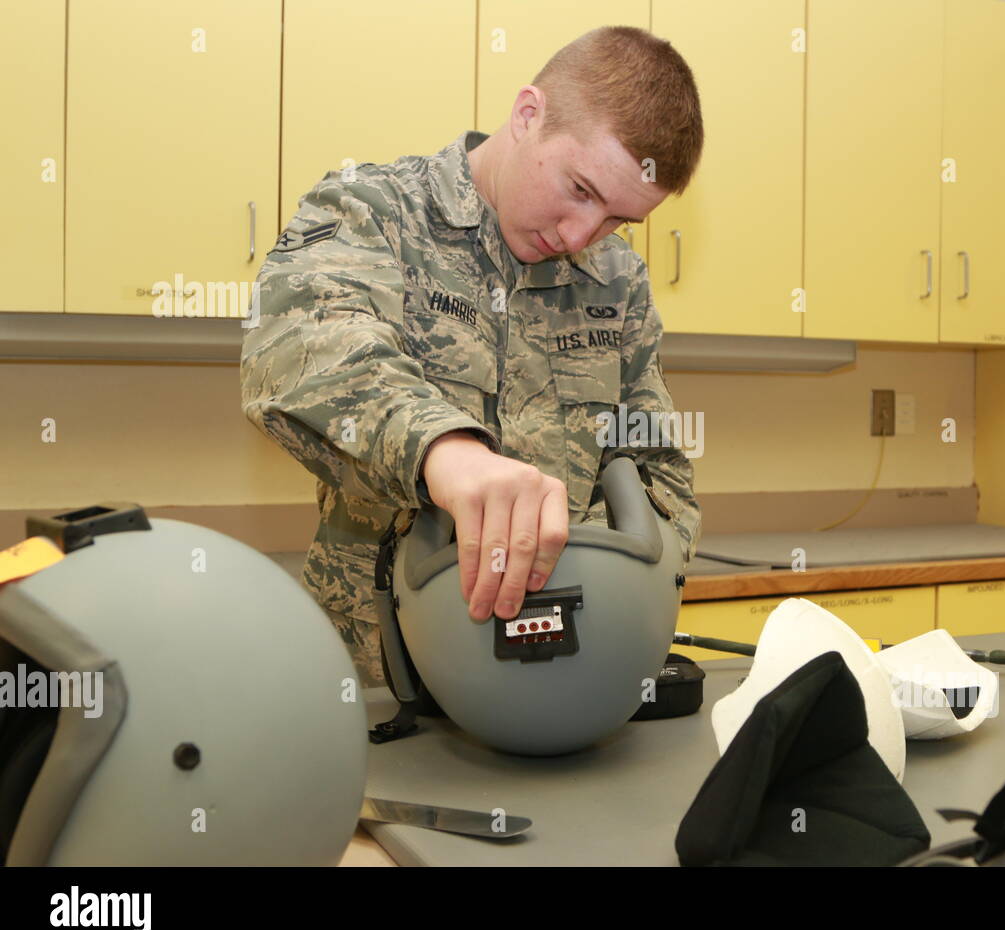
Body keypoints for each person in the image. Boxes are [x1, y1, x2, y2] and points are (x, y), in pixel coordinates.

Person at [239, 26, 704, 686]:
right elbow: (296, 349)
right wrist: (444, 453)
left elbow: (658, 471)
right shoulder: (374, 210)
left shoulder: (615, 281)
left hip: (563, 678)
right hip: (380, 685)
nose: (581, 235)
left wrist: (620, 595)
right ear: (527, 115)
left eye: (616, 221)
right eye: (580, 190)